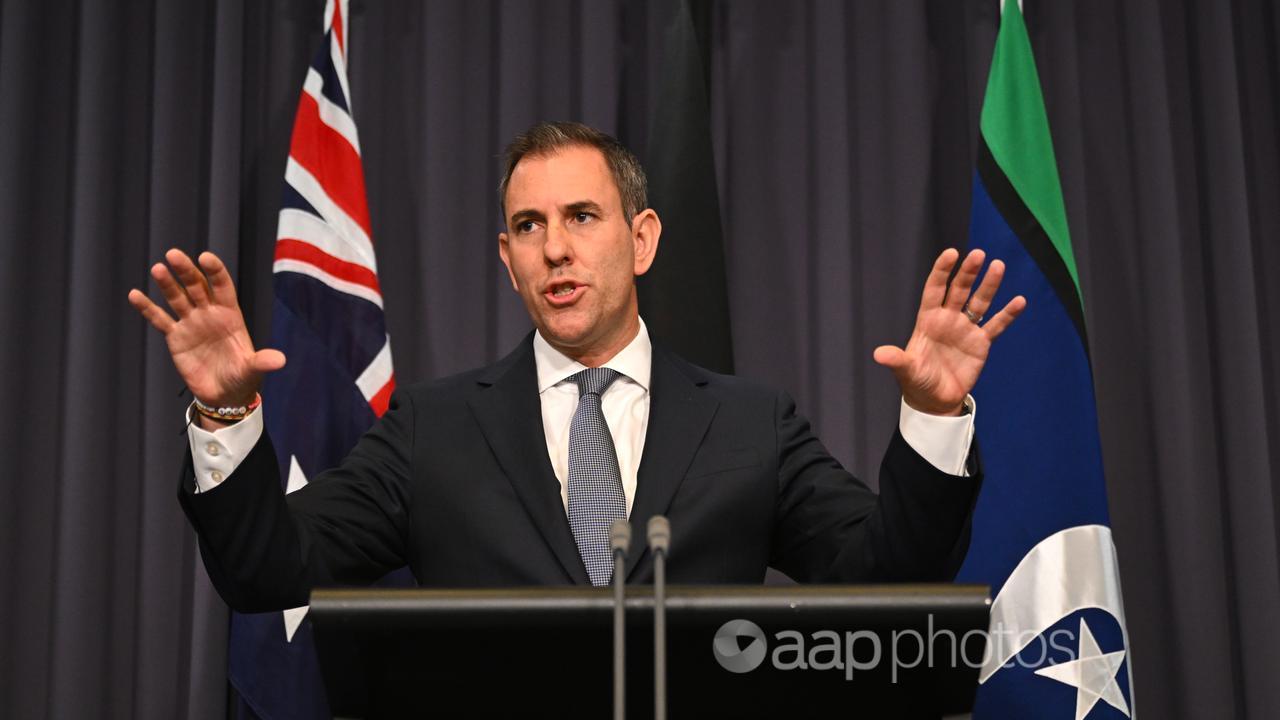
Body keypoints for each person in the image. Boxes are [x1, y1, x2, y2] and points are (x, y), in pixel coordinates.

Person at [127, 121, 1025, 612]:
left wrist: (935, 419)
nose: (554, 249)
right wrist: (226, 419)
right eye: (529, 228)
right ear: (506, 259)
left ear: (641, 240)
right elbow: (267, 574)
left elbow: (884, 575)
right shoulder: (433, 430)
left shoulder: (752, 424)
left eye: (583, 218)